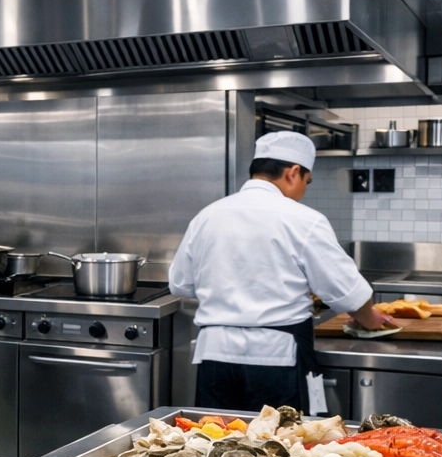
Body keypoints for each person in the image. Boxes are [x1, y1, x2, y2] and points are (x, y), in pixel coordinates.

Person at [168, 130, 397, 412]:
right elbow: (349, 294)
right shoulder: (303, 219)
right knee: (284, 439)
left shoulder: (207, 215)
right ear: (293, 172)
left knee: (218, 436)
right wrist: (369, 319)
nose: (303, 191)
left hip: (215, 357)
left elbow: (180, 284)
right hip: (278, 359)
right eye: (306, 182)